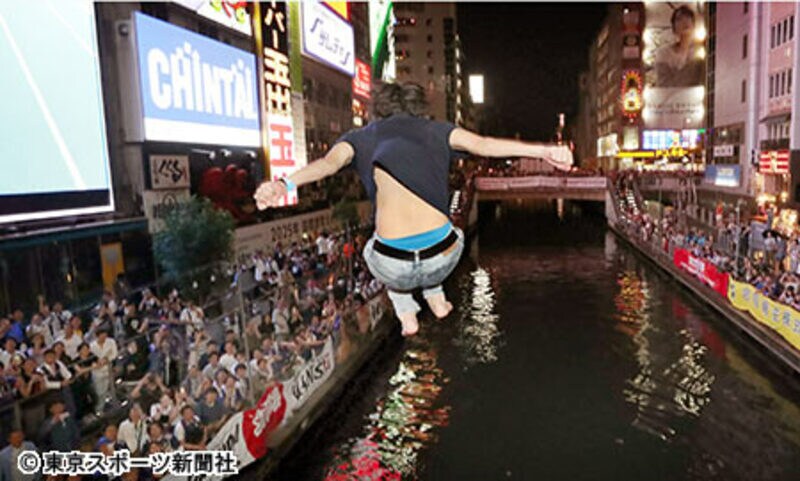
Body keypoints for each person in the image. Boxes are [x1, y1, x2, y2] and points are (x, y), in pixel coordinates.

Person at [254, 82, 572, 335]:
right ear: (418, 108)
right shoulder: (439, 130)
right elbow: (484, 145)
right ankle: (435, 295)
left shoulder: (360, 137)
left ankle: (406, 311)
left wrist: (283, 184)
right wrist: (544, 150)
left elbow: (327, 164)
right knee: (449, 234)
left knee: (370, 249)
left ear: (379, 110)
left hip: (394, 267)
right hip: (444, 257)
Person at [653, 5, 703, 88]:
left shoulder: (701, 51)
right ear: (674, 28)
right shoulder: (664, 53)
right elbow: (664, 83)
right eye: (679, 19)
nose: (685, 21)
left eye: (688, 17)